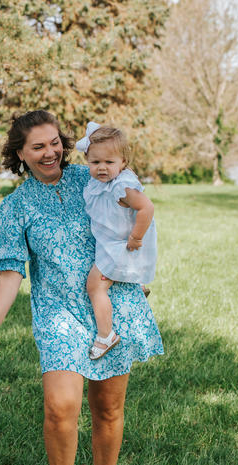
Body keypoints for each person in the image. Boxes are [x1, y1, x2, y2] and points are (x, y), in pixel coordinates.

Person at [0, 110, 163, 465]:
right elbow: (11, 271)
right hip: (57, 312)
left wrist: (131, 269)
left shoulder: (93, 177)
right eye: (38, 146)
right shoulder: (16, 207)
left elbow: (135, 214)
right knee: (61, 409)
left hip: (111, 303)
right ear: (20, 155)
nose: (50, 152)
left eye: (55, 143)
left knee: (108, 409)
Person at [76, 121, 158, 360]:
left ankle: (106, 335)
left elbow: (147, 208)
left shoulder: (121, 187)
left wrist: (136, 237)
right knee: (102, 281)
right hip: (111, 241)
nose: (102, 168)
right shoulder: (99, 183)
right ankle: (136, 285)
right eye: (95, 162)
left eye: (109, 163)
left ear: (123, 162)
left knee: (95, 285)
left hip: (120, 245)